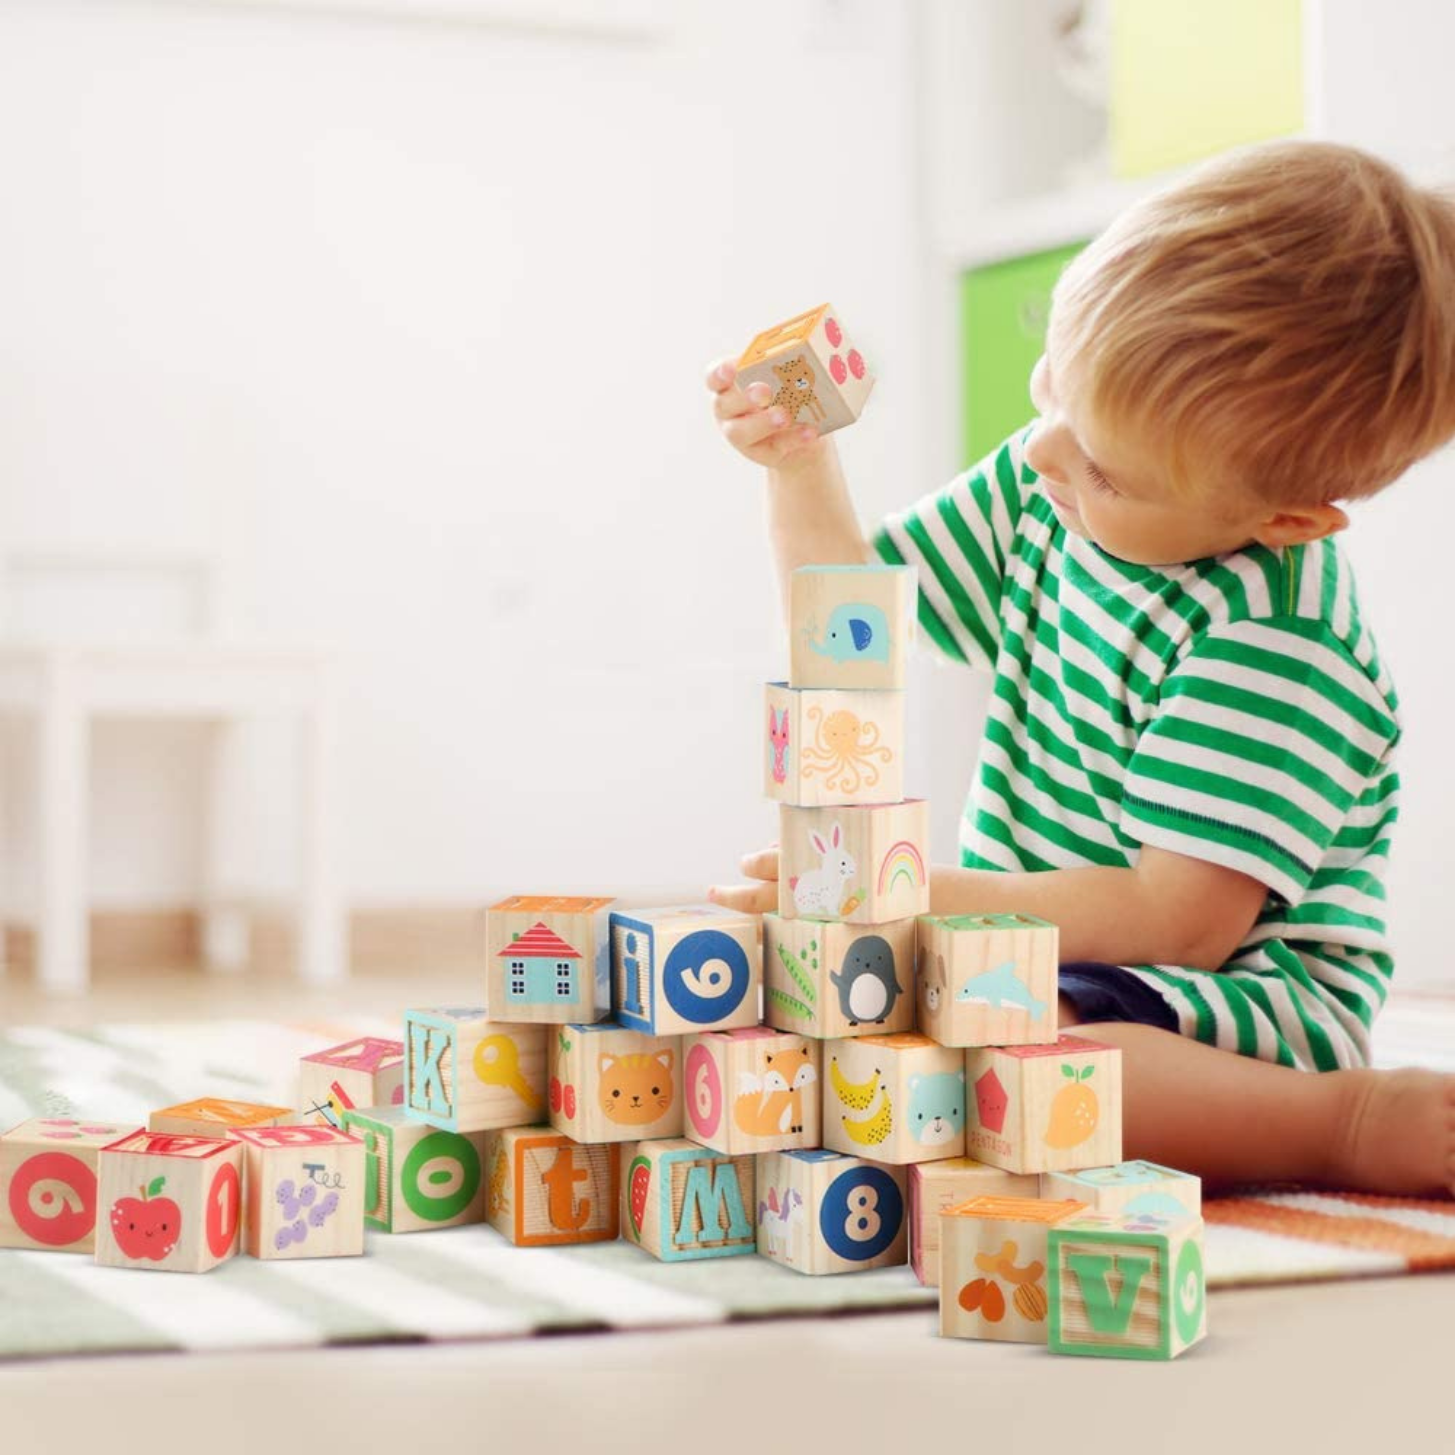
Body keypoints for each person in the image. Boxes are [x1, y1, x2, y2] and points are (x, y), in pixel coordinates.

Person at [705, 140, 1455, 1196]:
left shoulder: (1279, 643)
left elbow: (1176, 923)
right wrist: (797, 465)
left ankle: (1343, 1123)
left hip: (1231, 1007)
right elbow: (850, 627)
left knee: (1026, 1056)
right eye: (1051, 390)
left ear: (1284, 521)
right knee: (833, 1009)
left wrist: (914, 895)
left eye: (1101, 466)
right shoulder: (1058, 475)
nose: (1046, 455)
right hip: (1035, 953)